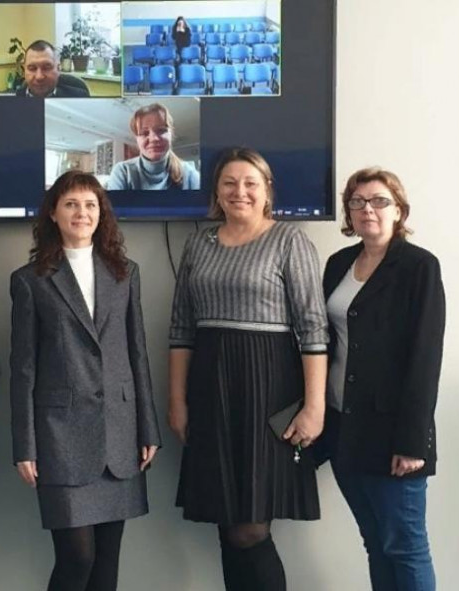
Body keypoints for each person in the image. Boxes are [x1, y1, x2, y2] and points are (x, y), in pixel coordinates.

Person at [168, 147, 328, 591]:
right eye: (229, 183)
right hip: (210, 389)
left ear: (267, 191)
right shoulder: (198, 244)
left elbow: (313, 328)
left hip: (268, 392)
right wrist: (176, 401)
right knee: (226, 524)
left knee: (250, 530)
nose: (240, 191)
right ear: (217, 192)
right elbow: (181, 327)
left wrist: (314, 407)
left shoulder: (290, 241)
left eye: (250, 183)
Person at [10, 170, 162, 591]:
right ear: (53, 213)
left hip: (119, 433)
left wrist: (147, 428)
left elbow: (137, 353)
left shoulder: (124, 273)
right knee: (77, 558)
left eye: (90, 204)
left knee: (107, 562)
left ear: (102, 213)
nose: (82, 212)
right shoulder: (30, 280)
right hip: (60, 438)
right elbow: (23, 368)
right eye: (71, 204)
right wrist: (25, 445)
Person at [319, 167, 445, 591]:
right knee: (375, 543)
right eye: (357, 202)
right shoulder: (339, 264)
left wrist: (412, 442)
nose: (367, 209)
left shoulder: (418, 267)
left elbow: (425, 357)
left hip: (392, 435)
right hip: (343, 428)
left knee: (405, 546)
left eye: (378, 201)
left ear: (399, 210)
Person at [107, 103, 200, 191]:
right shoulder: (123, 172)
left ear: (171, 134)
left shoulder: (189, 174)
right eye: (144, 133)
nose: (154, 138)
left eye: (161, 130)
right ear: (137, 139)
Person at [16, 40, 90, 98]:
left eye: (46, 68)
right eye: (32, 68)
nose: (39, 77)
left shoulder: (80, 98)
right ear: (24, 71)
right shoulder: (12, 102)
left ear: (58, 69)